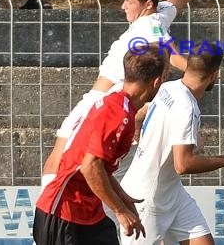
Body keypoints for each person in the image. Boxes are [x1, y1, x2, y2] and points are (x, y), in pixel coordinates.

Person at [41, 0, 199, 188]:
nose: (123, 6)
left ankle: (47, 210)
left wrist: (202, 71)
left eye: (128, 1)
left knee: (61, 155)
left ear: (147, 4)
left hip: (101, 100)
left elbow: (175, 58)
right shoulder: (159, 13)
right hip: (109, 100)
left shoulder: (150, 27)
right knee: (78, 160)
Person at [33, 43, 168, 245]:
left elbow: (100, 166)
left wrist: (123, 198)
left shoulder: (122, 106)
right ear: (157, 82)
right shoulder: (117, 113)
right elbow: (90, 166)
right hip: (65, 213)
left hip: (89, 215)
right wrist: (120, 210)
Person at [119, 43, 224, 245]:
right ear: (215, 74)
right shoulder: (187, 107)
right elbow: (183, 164)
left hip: (171, 192)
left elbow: (139, 116)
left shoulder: (167, 88)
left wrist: (145, 144)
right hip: (148, 199)